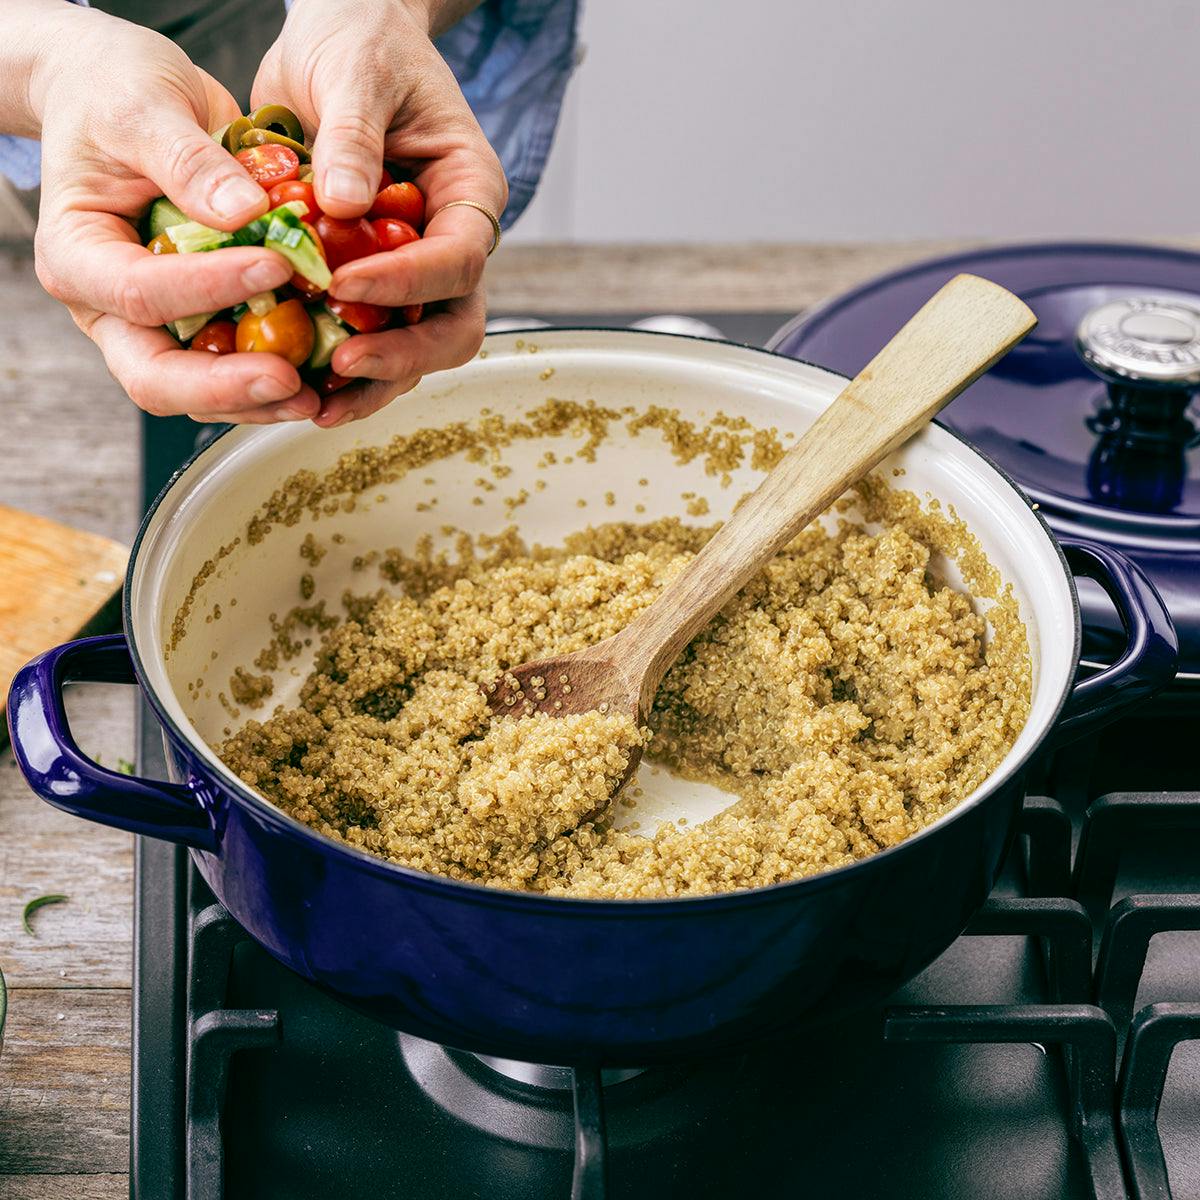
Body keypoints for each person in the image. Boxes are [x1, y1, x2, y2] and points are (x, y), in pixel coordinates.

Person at [0, 0, 578, 427]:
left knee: (427, 264)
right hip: (40, 51)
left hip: (369, 45)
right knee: (134, 297)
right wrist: (47, 65)